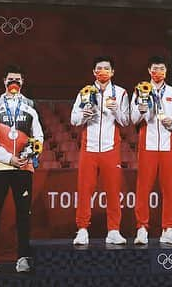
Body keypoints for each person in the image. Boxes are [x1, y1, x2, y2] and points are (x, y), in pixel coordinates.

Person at [0, 65, 44, 274]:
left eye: (17, 79)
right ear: (4, 81)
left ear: (22, 82)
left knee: (24, 215)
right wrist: (8, 158)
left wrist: (28, 155)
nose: (13, 83)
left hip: (24, 168)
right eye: (10, 79)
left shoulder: (31, 107)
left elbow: (39, 136)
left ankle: (23, 258)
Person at [70, 56, 131, 246]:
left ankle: (113, 230)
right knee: (85, 190)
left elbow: (126, 121)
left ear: (112, 72)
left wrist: (115, 111)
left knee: (113, 191)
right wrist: (83, 115)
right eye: (99, 68)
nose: (102, 71)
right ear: (93, 72)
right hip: (89, 148)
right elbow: (73, 119)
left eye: (106, 68)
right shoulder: (85, 92)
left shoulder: (120, 93)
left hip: (110, 148)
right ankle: (82, 229)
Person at [130, 56, 172, 245]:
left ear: (166, 71)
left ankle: (168, 229)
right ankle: (142, 228)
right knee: (143, 188)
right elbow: (133, 118)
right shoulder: (140, 91)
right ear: (149, 70)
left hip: (167, 146)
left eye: (161, 68)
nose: (158, 72)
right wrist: (142, 109)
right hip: (148, 144)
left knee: (169, 188)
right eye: (155, 68)